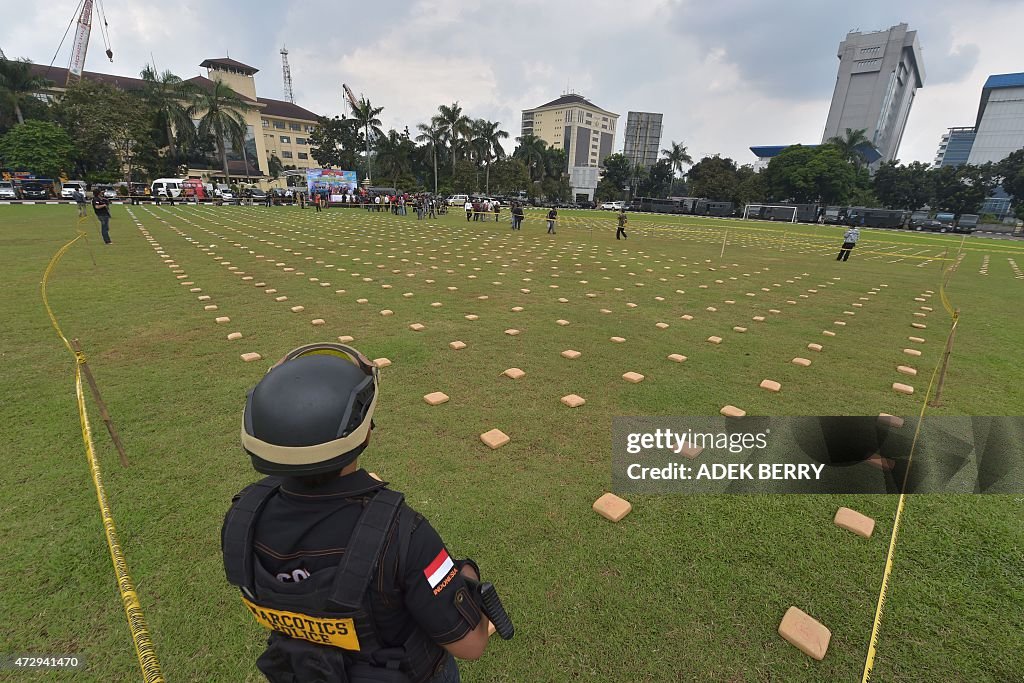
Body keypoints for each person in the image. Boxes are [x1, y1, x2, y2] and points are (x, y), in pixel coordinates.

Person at [222, 343, 491, 682]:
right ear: (365, 434)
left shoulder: (242, 517)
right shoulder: (402, 533)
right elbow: (471, 645)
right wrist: (466, 577)